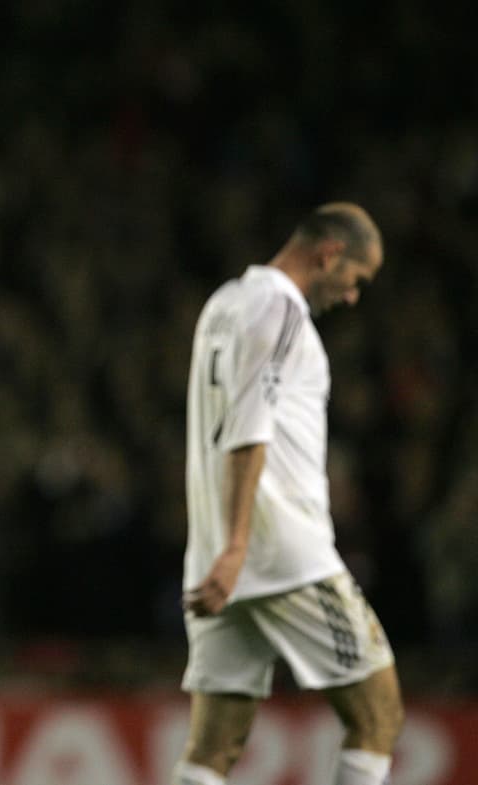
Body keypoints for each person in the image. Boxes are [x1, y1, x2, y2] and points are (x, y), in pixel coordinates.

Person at [173, 203, 403, 785]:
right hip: (283, 556)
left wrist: (226, 550)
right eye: (355, 279)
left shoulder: (224, 303)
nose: (352, 297)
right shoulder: (280, 309)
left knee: (213, 748)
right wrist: (240, 546)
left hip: (218, 556)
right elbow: (248, 428)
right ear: (329, 254)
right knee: (379, 715)